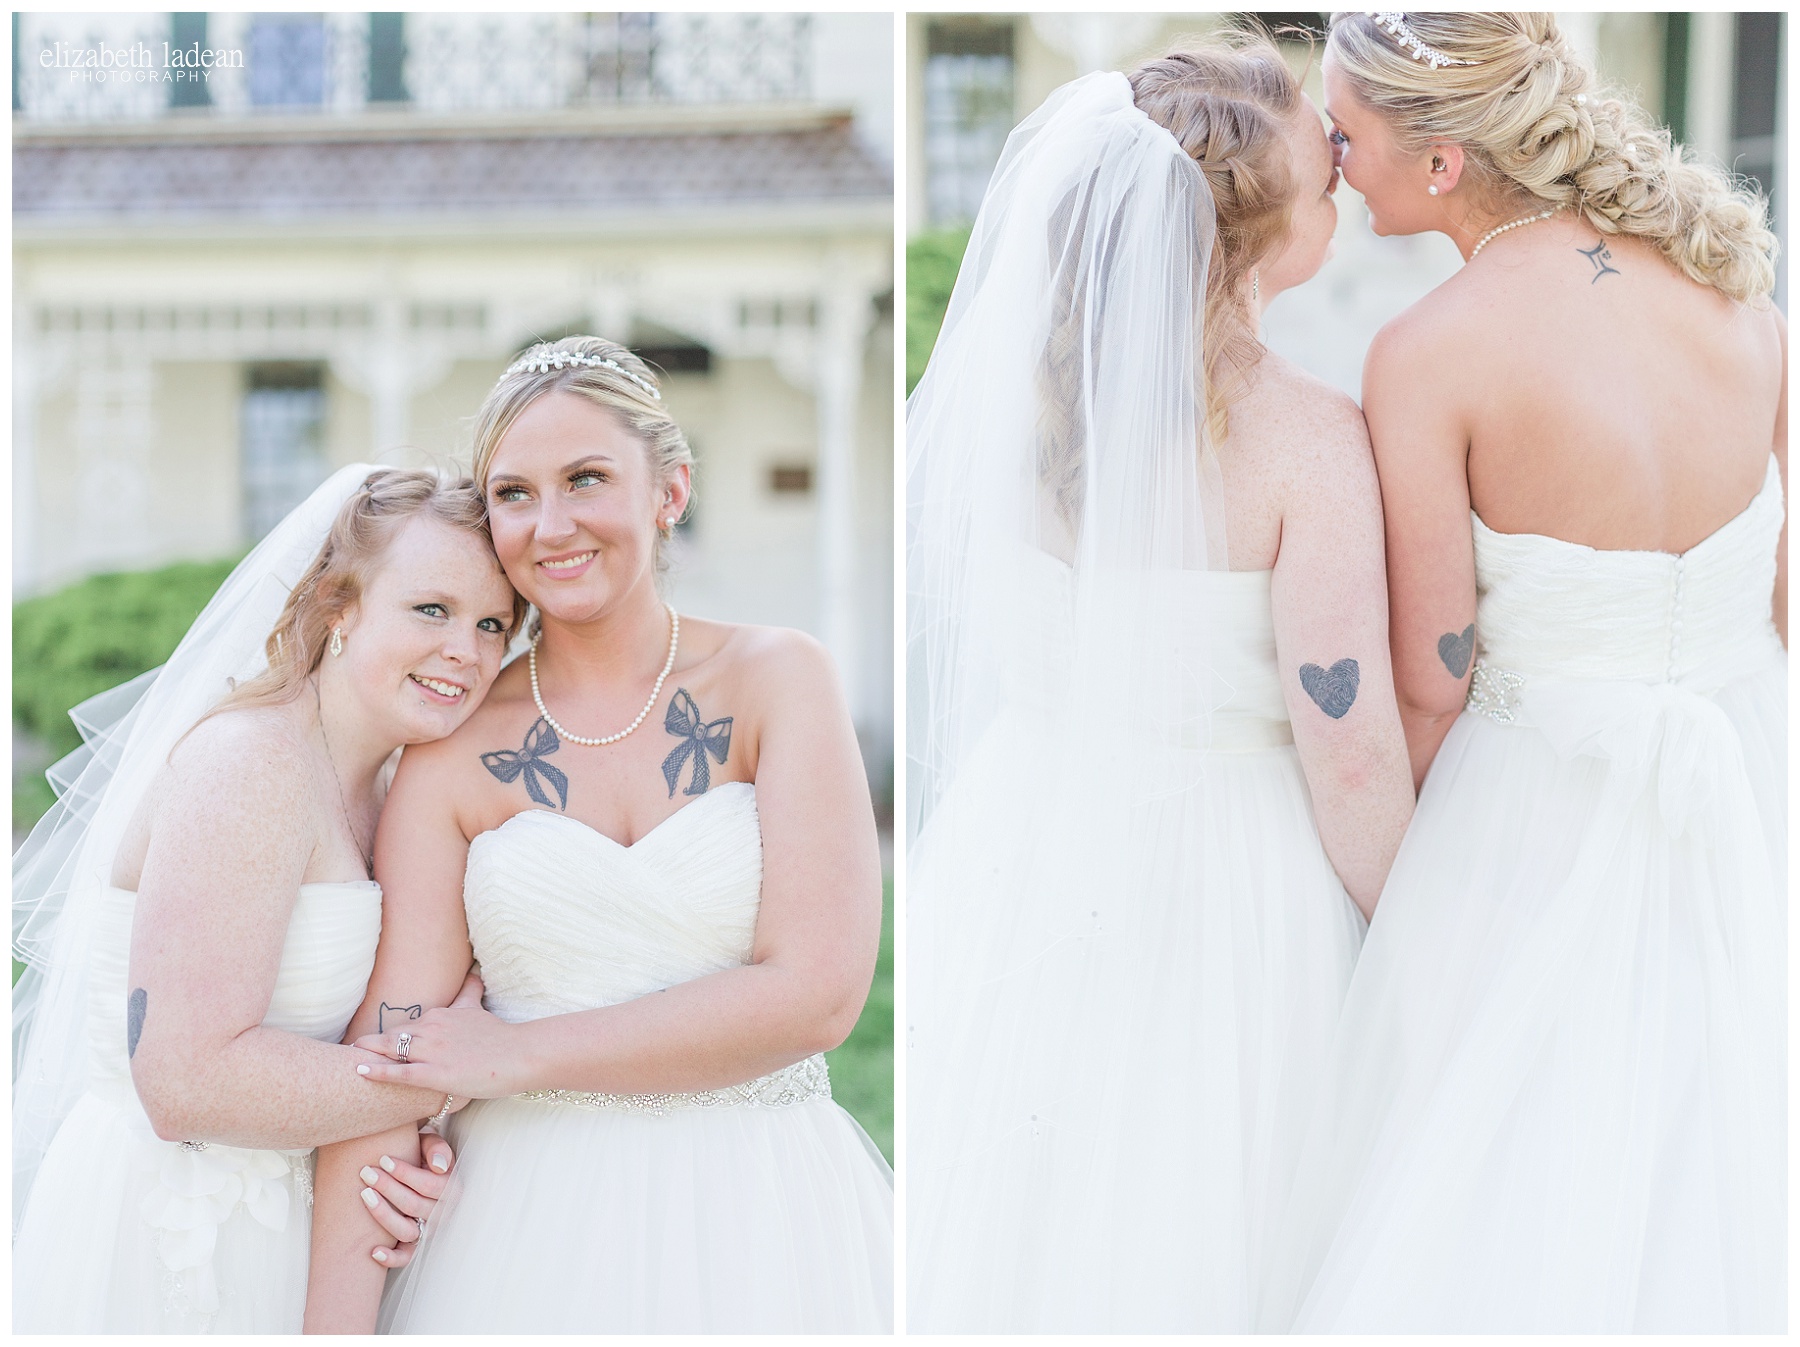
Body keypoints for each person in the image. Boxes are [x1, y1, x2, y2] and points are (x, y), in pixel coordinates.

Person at [1262, 12, 1785, 1332]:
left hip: (1534, 819)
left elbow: (1434, 678)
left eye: (1346, 131)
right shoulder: (1743, 299)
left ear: (1440, 167)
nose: (1327, 153)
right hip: (1751, 786)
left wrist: (1417, 902)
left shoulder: (1429, 354)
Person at [905, 32, 1413, 1332]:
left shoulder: (1018, 416)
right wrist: (1422, 929)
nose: (1342, 189)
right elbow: (1347, 747)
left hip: (1030, 845)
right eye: (1322, 175)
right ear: (1247, 232)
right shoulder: (1307, 438)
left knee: (1041, 1216)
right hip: (1229, 883)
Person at [301, 336, 894, 1334]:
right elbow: (396, 1050)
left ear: (671, 489)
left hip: (769, 1216)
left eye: (586, 479)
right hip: (525, 1234)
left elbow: (817, 996)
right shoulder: (453, 753)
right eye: (515, 494)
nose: (553, 524)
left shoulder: (777, 681)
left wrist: (513, 1056)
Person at [13, 467, 524, 1332]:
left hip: (288, 1223)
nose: (466, 653)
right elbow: (185, 1080)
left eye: (491, 625)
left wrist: (409, 1158)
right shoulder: (251, 765)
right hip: (175, 1236)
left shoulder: (395, 782)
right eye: (431, 610)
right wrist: (450, 1079)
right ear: (338, 605)